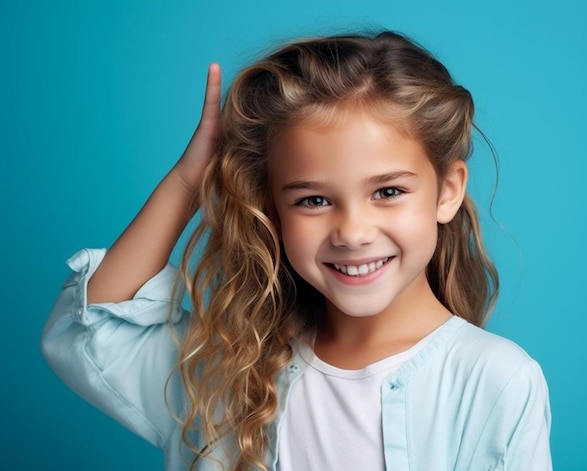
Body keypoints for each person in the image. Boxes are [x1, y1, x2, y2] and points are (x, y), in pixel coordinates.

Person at [41, 31, 552, 470]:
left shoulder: (495, 381)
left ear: (447, 191)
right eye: (313, 200)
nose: (352, 232)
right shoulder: (231, 369)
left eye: (388, 192)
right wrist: (189, 180)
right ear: (273, 210)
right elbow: (97, 323)